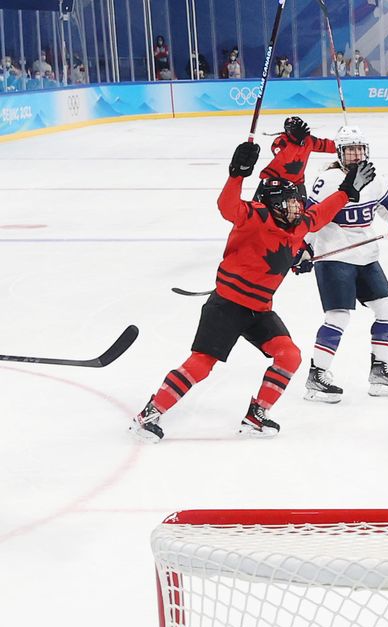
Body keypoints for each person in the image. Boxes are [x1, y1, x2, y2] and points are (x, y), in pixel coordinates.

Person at [131, 138, 369, 441]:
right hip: (227, 306)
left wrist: (347, 191)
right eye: (291, 201)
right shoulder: (255, 216)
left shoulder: (295, 226)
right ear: (274, 203)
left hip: (259, 309)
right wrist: (237, 174)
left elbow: (320, 215)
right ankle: (149, 414)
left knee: (289, 356)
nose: (299, 206)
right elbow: (227, 206)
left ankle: (257, 416)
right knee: (201, 365)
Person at [300, 124, 388, 402]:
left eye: (359, 149)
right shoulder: (327, 181)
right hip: (334, 256)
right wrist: (302, 248)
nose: (356, 155)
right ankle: (317, 376)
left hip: (366, 256)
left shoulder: (376, 179)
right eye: (350, 150)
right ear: (339, 152)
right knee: (338, 316)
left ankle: (379, 372)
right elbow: (310, 221)